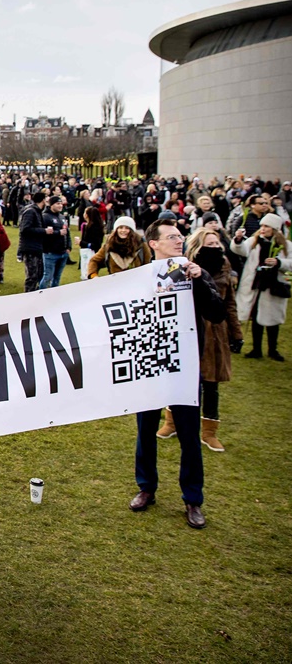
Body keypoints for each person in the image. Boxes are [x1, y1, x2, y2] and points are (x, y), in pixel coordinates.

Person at [131, 221, 224, 530]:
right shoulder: (139, 276)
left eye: (181, 238)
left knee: (188, 434)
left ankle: (193, 499)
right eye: (171, 238)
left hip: (183, 366)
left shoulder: (193, 273)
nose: (178, 242)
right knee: (146, 430)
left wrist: (199, 281)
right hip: (148, 364)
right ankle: (146, 487)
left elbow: (217, 312)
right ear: (153, 243)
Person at [158, 229, 241, 451]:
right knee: (182, 378)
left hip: (216, 333)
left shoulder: (225, 267)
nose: (214, 247)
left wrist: (236, 333)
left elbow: (229, 303)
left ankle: (209, 431)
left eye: (217, 243)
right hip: (189, 329)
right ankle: (171, 421)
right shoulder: (183, 266)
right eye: (209, 243)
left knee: (211, 383)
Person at [231, 213, 291, 360]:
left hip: (274, 284)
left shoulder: (286, 245)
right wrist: (238, 240)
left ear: (275, 228)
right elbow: (241, 250)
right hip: (256, 283)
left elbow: (290, 262)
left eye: (267, 226)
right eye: (262, 226)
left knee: (273, 318)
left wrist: (279, 263)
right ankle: (256, 349)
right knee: (256, 316)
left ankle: (273, 349)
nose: (263, 229)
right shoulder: (254, 241)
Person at [18, 191, 48, 291]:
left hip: (36, 247)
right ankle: (28, 297)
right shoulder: (31, 211)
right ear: (43, 200)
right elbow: (25, 229)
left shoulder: (37, 211)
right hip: (30, 248)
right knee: (32, 276)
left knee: (38, 274)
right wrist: (44, 231)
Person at [39, 196, 70, 289]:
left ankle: (54, 296)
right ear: (51, 205)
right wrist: (58, 233)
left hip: (63, 252)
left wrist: (69, 246)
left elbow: (67, 233)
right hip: (50, 252)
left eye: (61, 203)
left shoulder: (62, 217)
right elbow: (43, 233)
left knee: (57, 277)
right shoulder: (45, 217)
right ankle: (41, 295)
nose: (60, 206)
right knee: (47, 276)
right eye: (57, 203)